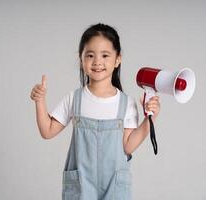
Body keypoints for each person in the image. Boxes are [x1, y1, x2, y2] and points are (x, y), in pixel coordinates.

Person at [30, 23, 160, 200]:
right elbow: (47, 131)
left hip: (114, 186)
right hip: (81, 185)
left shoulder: (126, 103)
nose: (97, 61)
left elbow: (128, 146)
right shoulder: (74, 99)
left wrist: (150, 119)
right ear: (81, 59)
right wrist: (40, 101)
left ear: (118, 59)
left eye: (105, 55)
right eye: (90, 55)